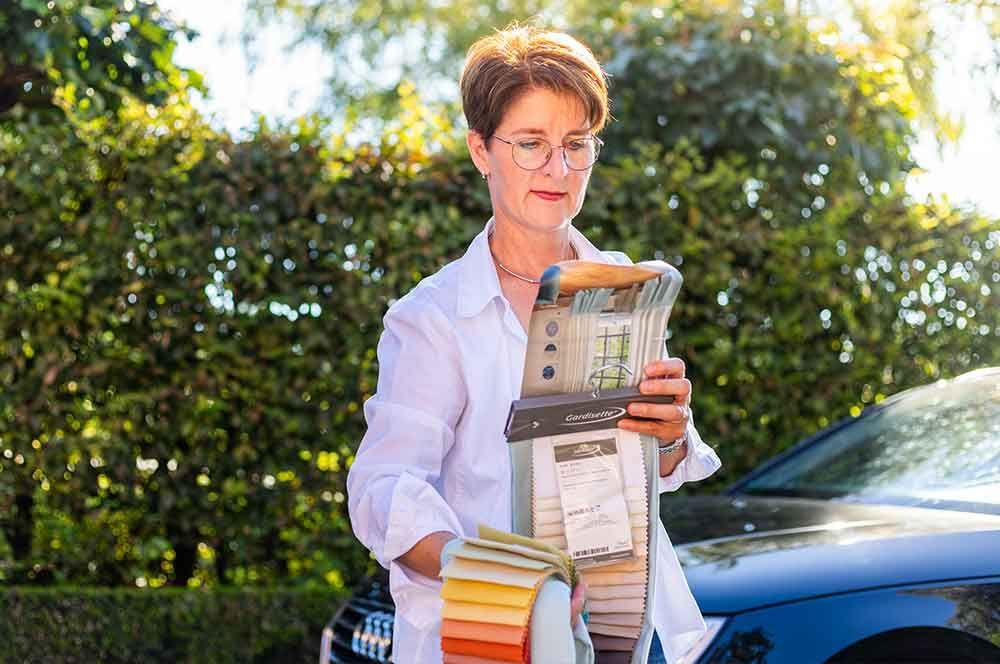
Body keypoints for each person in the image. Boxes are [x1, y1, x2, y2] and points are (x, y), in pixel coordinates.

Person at [347, 24, 722, 664]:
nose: (558, 168)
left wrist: (671, 435)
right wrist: (492, 568)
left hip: (626, 625)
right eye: (530, 144)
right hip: (491, 632)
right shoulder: (434, 318)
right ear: (480, 150)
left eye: (577, 145)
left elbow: (651, 471)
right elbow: (383, 486)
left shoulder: (625, 288)